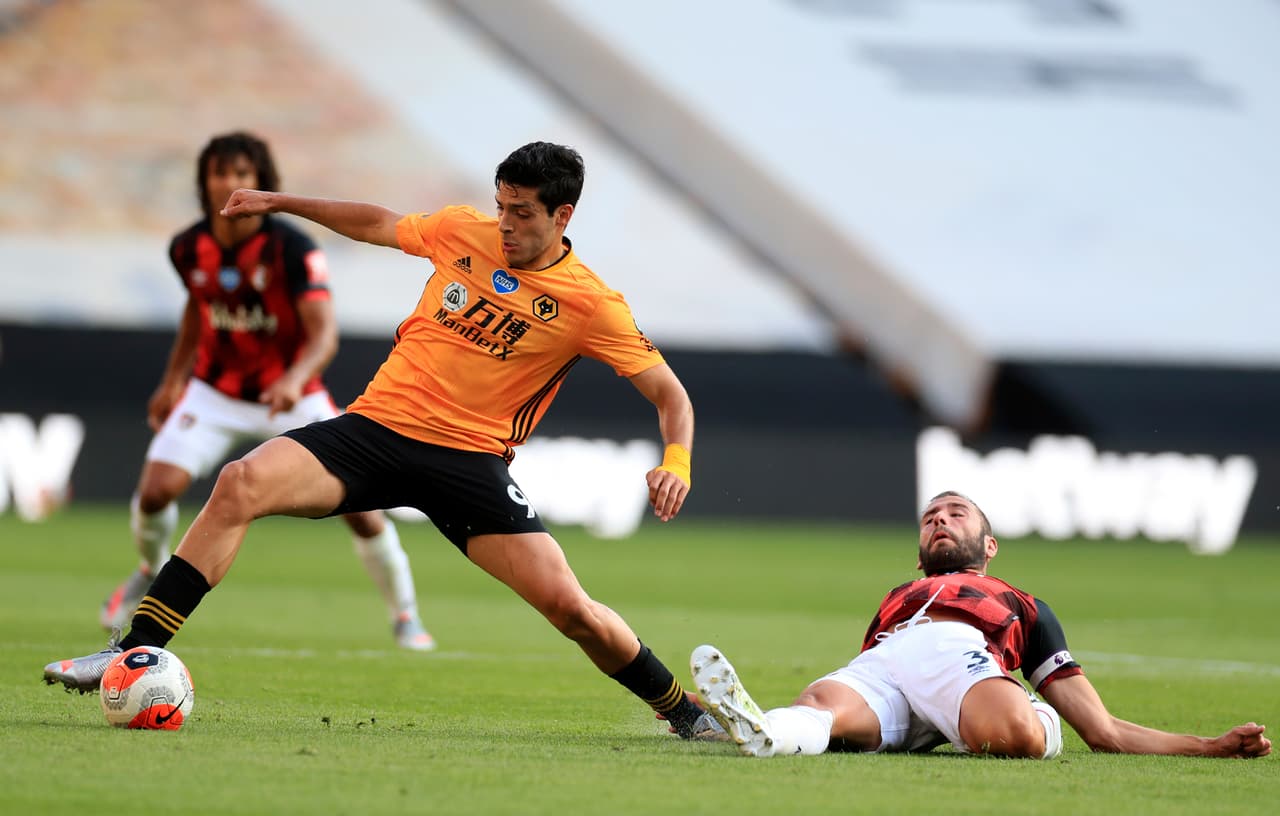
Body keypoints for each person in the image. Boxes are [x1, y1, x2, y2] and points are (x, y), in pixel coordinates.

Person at [44, 141, 713, 738]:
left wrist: (676, 463)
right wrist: (281, 202)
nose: (505, 224)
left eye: (523, 213)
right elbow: (374, 222)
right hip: (374, 432)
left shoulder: (592, 304)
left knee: (572, 611)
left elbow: (671, 396)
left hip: (468, 464)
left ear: (562, 216)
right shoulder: (462, 230)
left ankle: (686, 712)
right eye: (501, 206)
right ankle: (131, 649)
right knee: (239, 482)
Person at [95, 131, 434, 651]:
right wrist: (173, 380)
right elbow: (197, 310)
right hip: (215, 393)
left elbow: (323, 334)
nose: (229, 183)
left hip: (291, 395)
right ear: (205, 181)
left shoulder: (293, 249)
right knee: (156, 490)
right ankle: (149, 569)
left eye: (241, 174)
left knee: (363, 511)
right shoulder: (187, 247)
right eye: (220, 173)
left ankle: (405, 613)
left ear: (260, 182)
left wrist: (295, 378)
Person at [690, 491, 1272, 759]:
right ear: (920, 554)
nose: (939, 520)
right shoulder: (898, 598)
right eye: (929, 518)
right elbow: (879, 663)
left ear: (989, 545)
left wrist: (1209, 747)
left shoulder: (1023, 605)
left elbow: (1104, 731)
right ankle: (765, 731)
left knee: (1015, 738)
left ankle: (1036, 718)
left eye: (955, 513)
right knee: (822, 705)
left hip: (961, 653)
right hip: (888, 658)